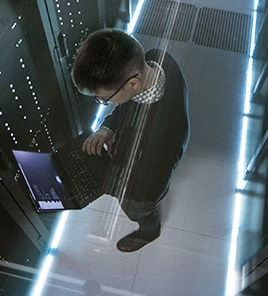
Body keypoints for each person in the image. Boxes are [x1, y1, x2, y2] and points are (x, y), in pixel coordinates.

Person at [71, 28, 189, 252]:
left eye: (104, 99)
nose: (102, 101)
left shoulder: (160, 141)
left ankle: (149, 231)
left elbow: (146, 186)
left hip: (143, 190)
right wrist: (107, 128)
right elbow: (128, 105)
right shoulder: (156, 58)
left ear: (133, 84)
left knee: (137, 210)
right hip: (140, 158)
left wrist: (98, 180)